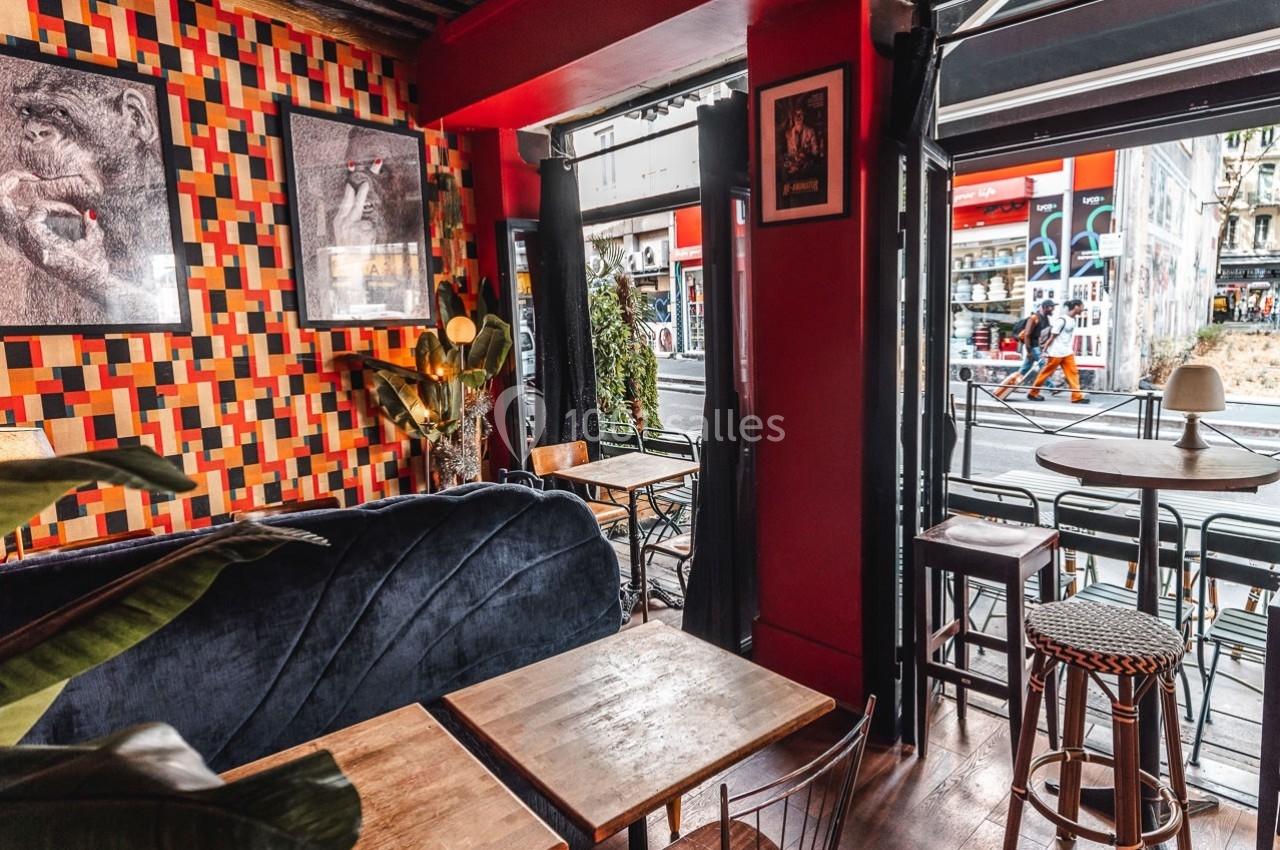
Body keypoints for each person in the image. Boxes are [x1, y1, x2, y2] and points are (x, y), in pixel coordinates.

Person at [1026, 299, 1089, 403]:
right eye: (1082, 306)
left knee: (1073, 373)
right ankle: (1032, 393)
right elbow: (1051, 338)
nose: (1083, 309)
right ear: (1076, 306)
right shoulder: (1062, 320)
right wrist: (1044, 351)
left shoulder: (1073, 320)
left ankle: (1077, 397)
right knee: (1045, 373)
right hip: (1056, 352)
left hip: (1067, 352)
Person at [993, 299, 1055, 400]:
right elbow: (1027, 335)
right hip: (1034, 347)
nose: (1053, 309)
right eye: (1051, 307)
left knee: (1026, 367)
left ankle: (1013, 383)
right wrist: (1029, 351)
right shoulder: (1034, 318)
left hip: (1037, 347)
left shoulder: (1045, 319)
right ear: (1045, 307)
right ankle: (1052, 387)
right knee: (1044, 366)